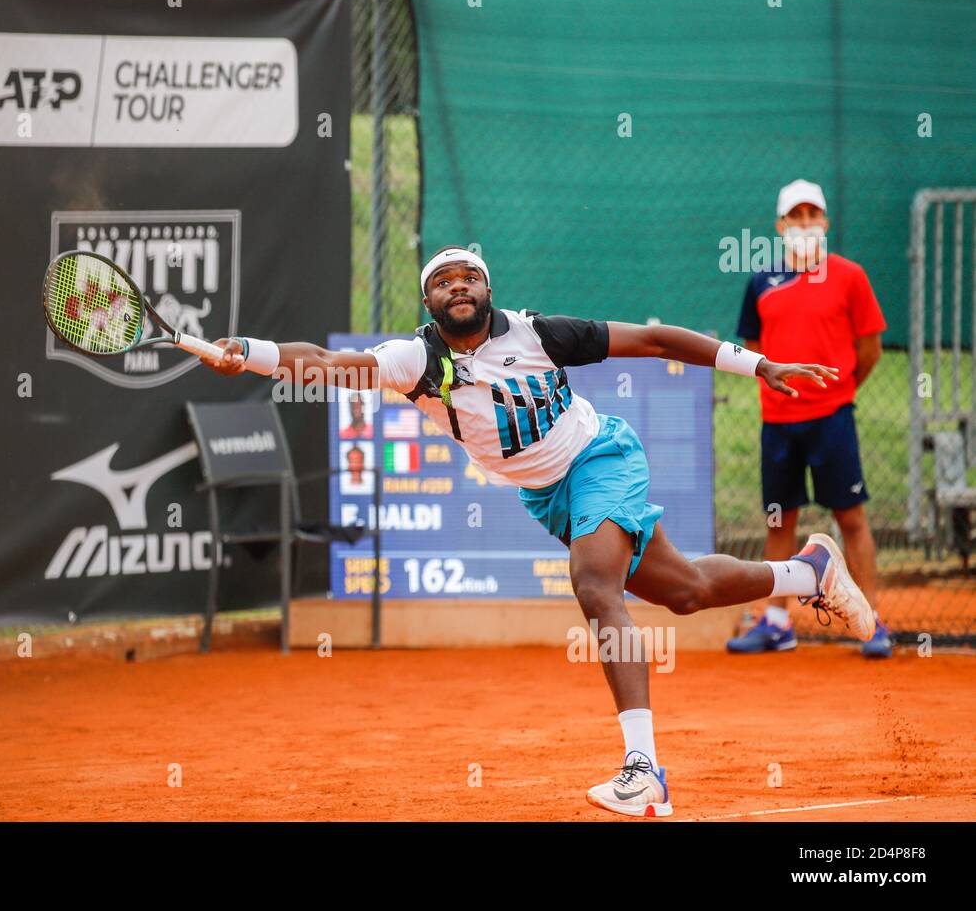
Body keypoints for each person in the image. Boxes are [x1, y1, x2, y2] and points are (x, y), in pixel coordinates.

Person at [200, 245, 875, 818]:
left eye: (468, 276)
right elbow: (321, 361)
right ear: (429, 302)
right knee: (686, 591)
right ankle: (809, 571)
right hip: (547, 495)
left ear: (489, 291)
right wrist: (248, 352)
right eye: (442, 280)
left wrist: (756, 364)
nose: (457, 284)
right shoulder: (415, 361)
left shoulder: (537, 334)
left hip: (600, 457)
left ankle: (644, 774)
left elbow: (657, 340)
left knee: (593, 585)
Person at [727, 179, 892, 658]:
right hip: (778, 421)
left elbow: (870, 349)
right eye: (794, 217)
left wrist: (839, 392)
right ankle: (777, 622)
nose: (804, 224)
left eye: (812, 216)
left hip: (832, 418)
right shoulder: (760, 281)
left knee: (852, 517)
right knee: (780, 520)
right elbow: (754, 349)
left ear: (825, 222)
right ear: (780, 226)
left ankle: (873, 622)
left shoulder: (851, 276)